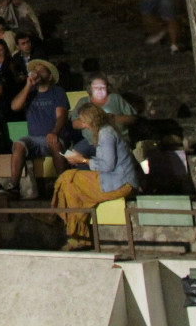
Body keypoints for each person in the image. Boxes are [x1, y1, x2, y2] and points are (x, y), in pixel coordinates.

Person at [53, 103, 140, 250]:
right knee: (69, 182)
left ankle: (69, 229)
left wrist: (82, 160)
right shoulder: (105, 131)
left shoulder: (106, 133)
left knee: (68, 179)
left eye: (84, 121)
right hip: (113, 179)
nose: (83, 125)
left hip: (119, 182)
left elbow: (107, 165)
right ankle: (77, 235)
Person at [7, 59, 71, 196]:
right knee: (18, 144)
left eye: (41, 70)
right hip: (33, 139)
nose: (37, 72)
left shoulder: (57, 92)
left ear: (49, 76)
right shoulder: (29, 92)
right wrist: (28, 86)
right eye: (35, 69)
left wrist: (54, 132)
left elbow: (62, 116)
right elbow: (14, 106)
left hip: (53, 136)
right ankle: (14, 187)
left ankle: (64, 185)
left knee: (54, 143)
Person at [69, 75, 137, 158]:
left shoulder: (115, 98)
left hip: (116, 141)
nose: (99, 90)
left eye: (103, 87)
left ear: (107, 88)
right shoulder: (83, 101)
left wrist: (113, 118)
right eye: (96, 87)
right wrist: (90, 122)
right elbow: (74, 124)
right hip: (91, 142)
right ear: (89, 89)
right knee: (74, 154)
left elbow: (132, 119)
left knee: (110, 159)